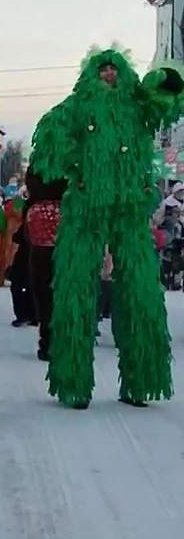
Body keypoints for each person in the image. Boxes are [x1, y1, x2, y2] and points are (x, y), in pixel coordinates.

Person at [30, 46, 183, 408]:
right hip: (86, 210)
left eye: (115, 69)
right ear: (92, 75)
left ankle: (141, 382)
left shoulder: (137, 103)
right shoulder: (77, 105)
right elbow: (48, 140)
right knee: (75, 289)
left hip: (130, 209)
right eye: (103, 69)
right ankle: (73, 383)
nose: (110, 74)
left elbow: (166, 101)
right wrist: (75, 170)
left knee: (142, 292)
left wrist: (166, 80)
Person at [24, 168, 66, 362]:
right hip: (65, 254)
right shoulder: (67, 208)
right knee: (64, 298)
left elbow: (27, 238)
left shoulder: (34, 209)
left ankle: (47, 341)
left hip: (40, 254)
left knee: (43, 297)